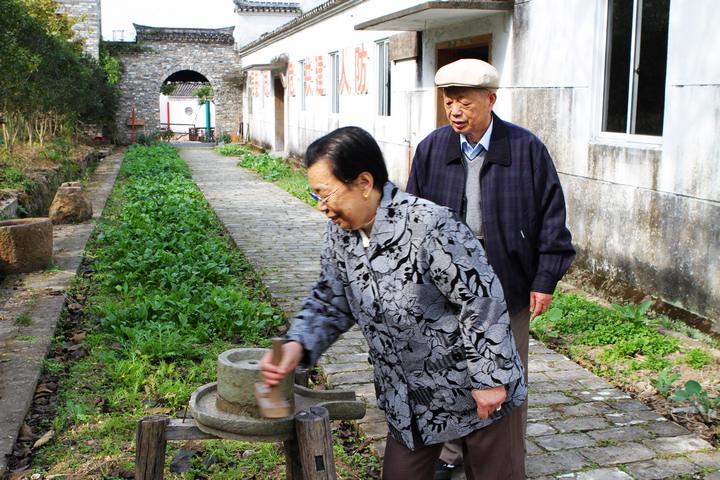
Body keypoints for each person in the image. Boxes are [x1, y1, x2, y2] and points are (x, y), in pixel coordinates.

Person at [261, 126, 527, 480]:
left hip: (474, 388)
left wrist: (491, 379)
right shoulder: (341, 234)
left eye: (326, 195)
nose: (323, 208)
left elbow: (482, 299)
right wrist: (298, 344)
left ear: (364, 182)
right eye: (316, 197)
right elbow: (331, 295)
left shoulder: (430, 225)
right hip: (409, 398)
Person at [406, 58, 575, 479]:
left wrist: (545, 279)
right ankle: (451, 450)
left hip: (507, 280)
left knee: (504, 374)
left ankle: (501, 464)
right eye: (449, 103)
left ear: (490, 100)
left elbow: (552, 217)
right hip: (445, 285)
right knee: (447, 365)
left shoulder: (525, 148)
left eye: (465, 102)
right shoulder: (432, 148)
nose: (455, 111)